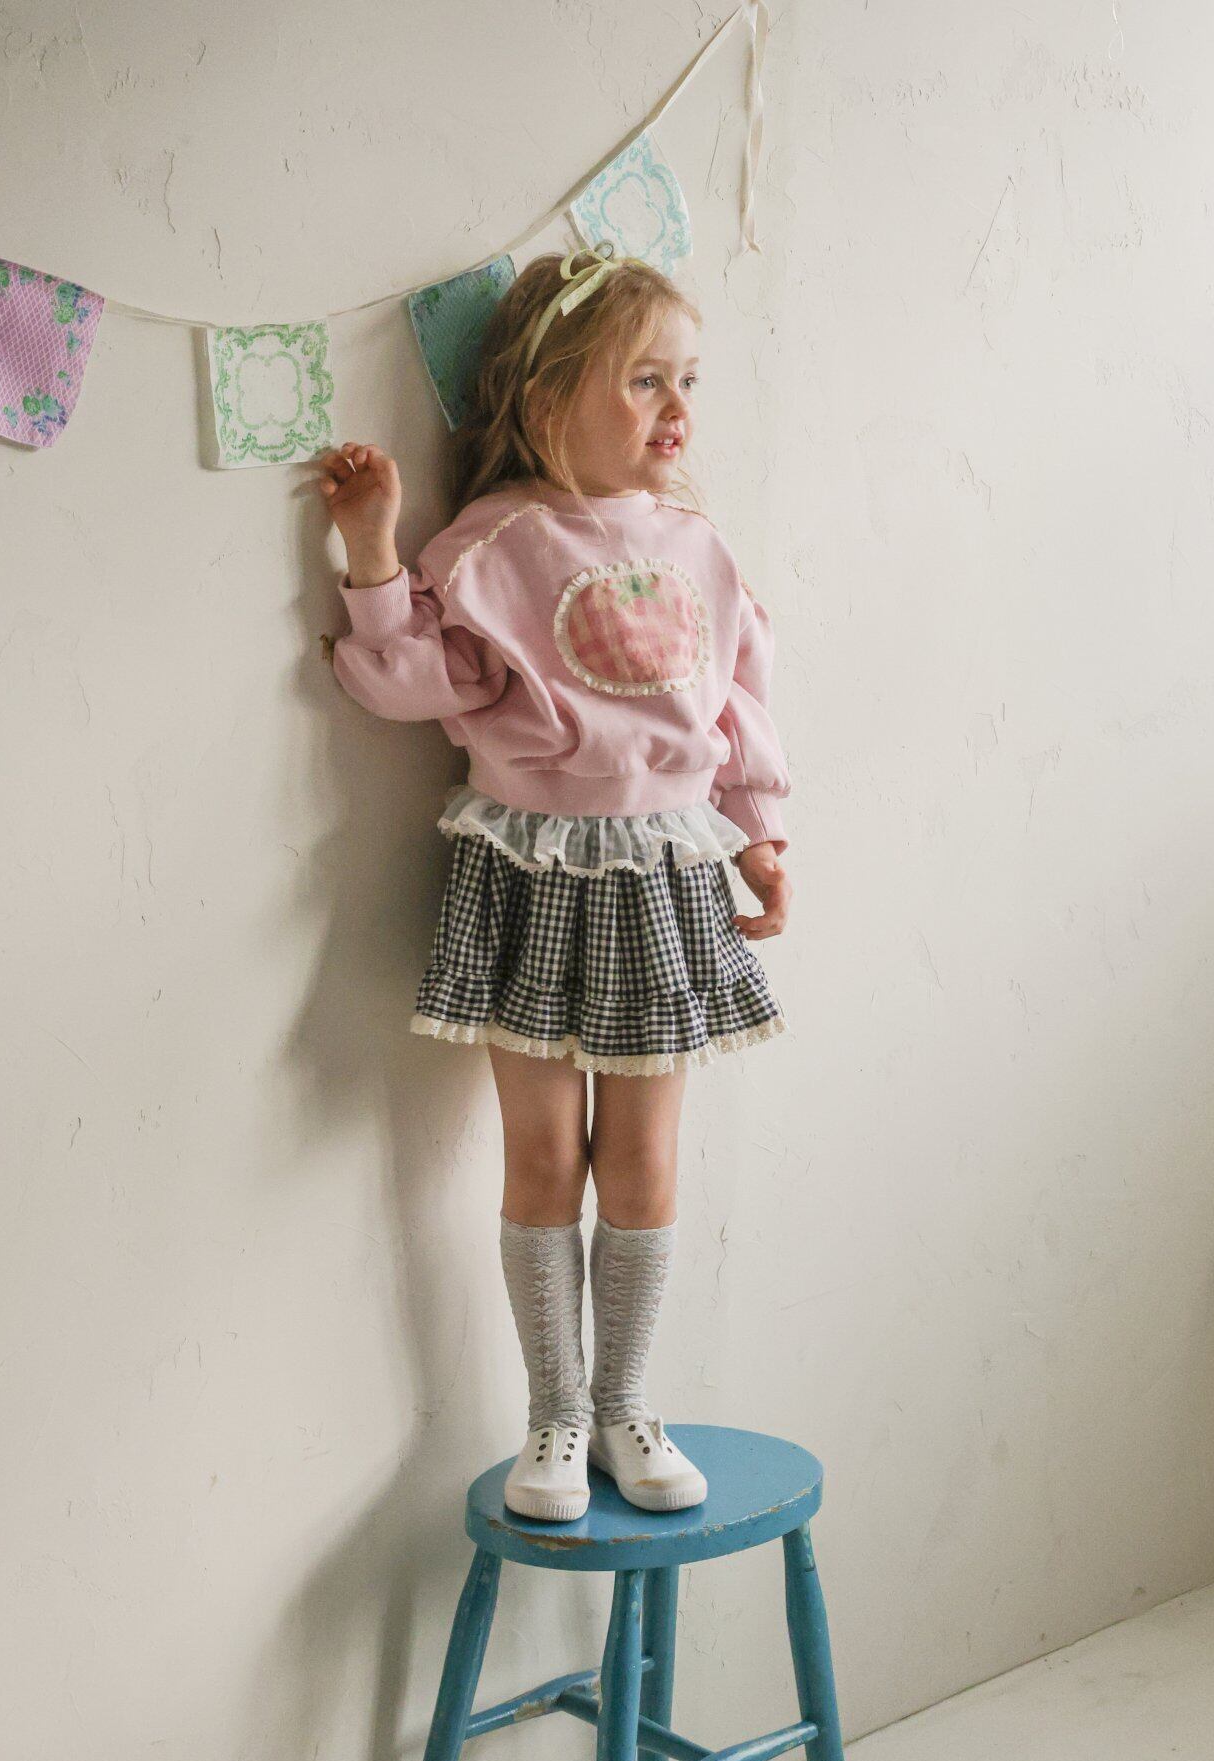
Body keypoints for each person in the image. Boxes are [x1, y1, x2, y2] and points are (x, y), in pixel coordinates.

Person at [317, 243, 793, 1524]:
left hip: (664, 872)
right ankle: (555, 1417)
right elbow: (412, 682)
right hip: (528, 872)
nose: (675, 410)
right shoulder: (495, 543)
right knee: (540, 1154)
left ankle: (627, 1403)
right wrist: (372, 552)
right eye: (643, 380)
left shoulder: (696, 545)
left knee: (640, 1157)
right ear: (543, 400)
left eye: (685, 381)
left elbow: (737, 704)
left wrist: (759, 836)